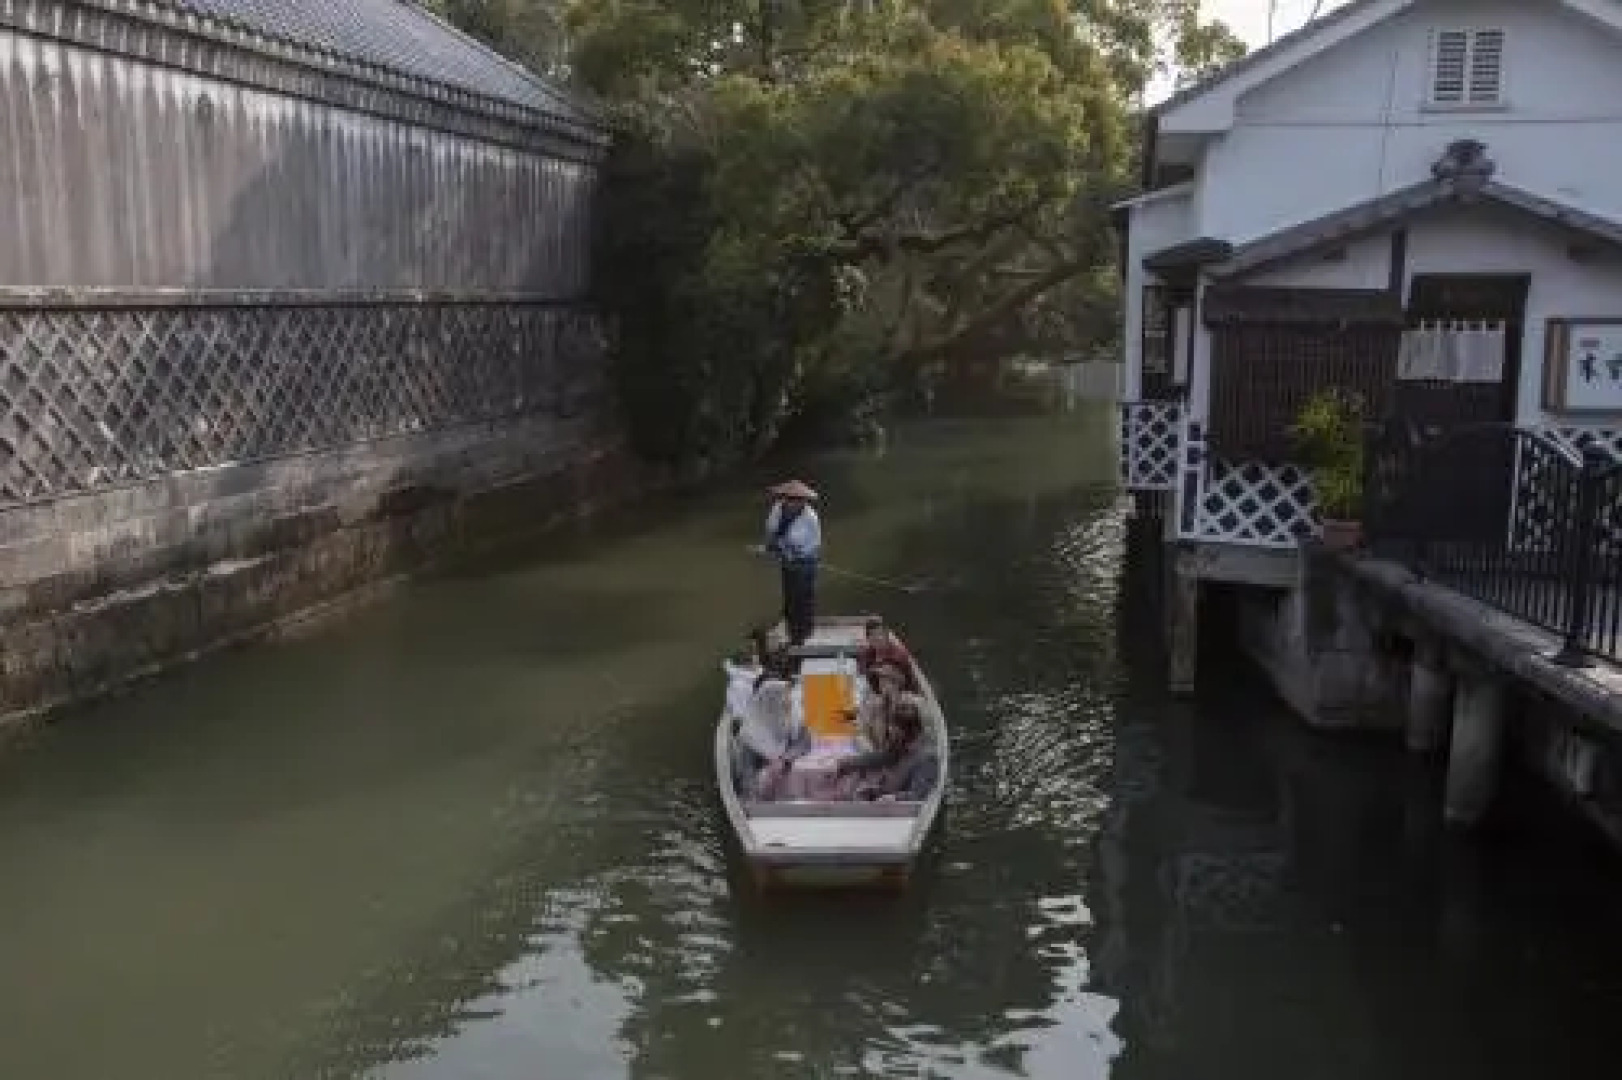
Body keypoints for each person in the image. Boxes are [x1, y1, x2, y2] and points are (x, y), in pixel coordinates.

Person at [835, 693, 940, 802]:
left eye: (894, 729)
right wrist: (845, 764)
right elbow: (876, 758)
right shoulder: (900, 748)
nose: (889, 733)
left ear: (908, 731)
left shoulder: (927, 758)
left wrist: (894, 798)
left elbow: (919, 796)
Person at [761, 480, 821, 646]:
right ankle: (792, 629)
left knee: (803, 598)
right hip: (787, 560)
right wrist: (771, 545)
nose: (792, 502)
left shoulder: (810, 518)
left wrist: (789, 551)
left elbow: (809, 544)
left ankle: (803, 634)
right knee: (789, 596)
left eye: (797, 499)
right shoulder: (777, 508)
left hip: (805, 560)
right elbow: (771, 529)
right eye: (789, 498)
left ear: (804, 501)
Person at [737, 674, 811, 798]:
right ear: (771, 702)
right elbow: (747, 774)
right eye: (785, 699)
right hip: (766, 789)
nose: (789, 703)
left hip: (794, 780)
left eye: (789, 697)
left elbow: (805, 743)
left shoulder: (795, 719)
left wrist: (785, 759)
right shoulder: (750, 735)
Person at [856, 618, 917, 688]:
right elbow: (861, 672)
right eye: (873, 635)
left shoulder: (899, 655)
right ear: (868, 639)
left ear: (887, 636)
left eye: (880, 634)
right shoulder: (866, 653)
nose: (878, 638)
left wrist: (890, 674)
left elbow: (909, 682)